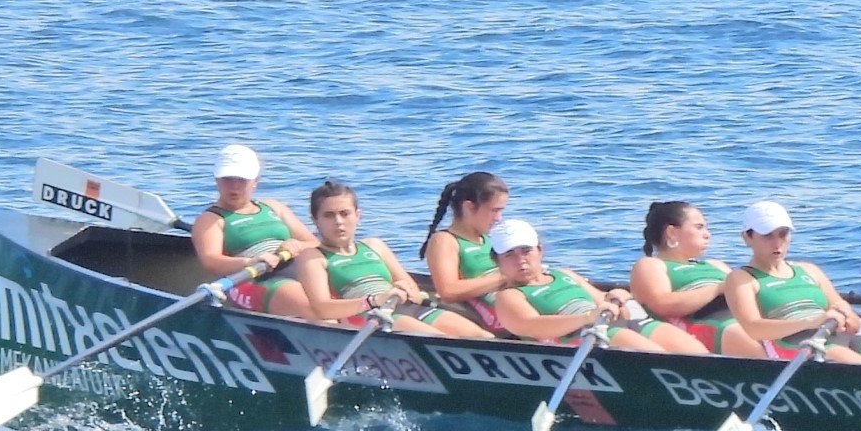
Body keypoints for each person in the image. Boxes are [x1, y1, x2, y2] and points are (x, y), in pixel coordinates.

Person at [719, 200, 861, 365]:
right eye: (768, 235)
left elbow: (850, 318)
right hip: (794, 344)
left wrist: (848, 318)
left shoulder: (809, 270)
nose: (777, 243)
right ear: (747, 237)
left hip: (833, 337)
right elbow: (753, 328)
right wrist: (809, 322)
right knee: (859, 366)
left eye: (783, 234)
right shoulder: (741, 278)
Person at [288, 181, 490, 337]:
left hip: (404, 307)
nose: (338, 222)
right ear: (315, 220)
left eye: (344, 213)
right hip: (368, 317)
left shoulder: (375, 245)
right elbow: (322, 308)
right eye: (329, 215)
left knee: (483, 337)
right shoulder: (313, 257)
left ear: (358, 216)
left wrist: (405, 289)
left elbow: (410, 286)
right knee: (440, 339)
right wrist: (373, 301)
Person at [482, 218, 707, 353]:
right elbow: (531, 326)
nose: (520, 259)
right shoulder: (509, 296)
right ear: (497, 261)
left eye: (526, 251)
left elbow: (602, 300)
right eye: (509, 254)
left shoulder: (563, 273)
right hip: (584, 336)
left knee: (697, 353)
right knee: (660, 358)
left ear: (540, 250)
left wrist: (617, 297)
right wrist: (587, 317)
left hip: (612, 324)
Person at [189, 144, 317, 318]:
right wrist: (250, 261)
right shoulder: (210, 219)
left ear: (256, 181)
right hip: (251, 280)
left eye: (242, 179)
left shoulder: (274, 207)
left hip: (294, 268)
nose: (234, 187)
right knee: (315, 307)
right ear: (216, 179)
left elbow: (315, 243)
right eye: (227, 179)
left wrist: (297, 245)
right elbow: (211, 261)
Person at [628, 201, 770, 358]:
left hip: (742, 318)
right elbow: (662, 304)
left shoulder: (716, 265)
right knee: (742, 332)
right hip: (703, 325)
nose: (707, 234)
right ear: (672, 233)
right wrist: (718, 288)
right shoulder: (651, 265)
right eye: (699, 227)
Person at [421, 171, 512, 334]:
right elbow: (448, 290)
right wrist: (506, 277)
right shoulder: (445, 240)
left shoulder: (491, 238)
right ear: (469, 207)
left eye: (501, 211)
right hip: (501, 311)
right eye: (494, 210)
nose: (499, 218)